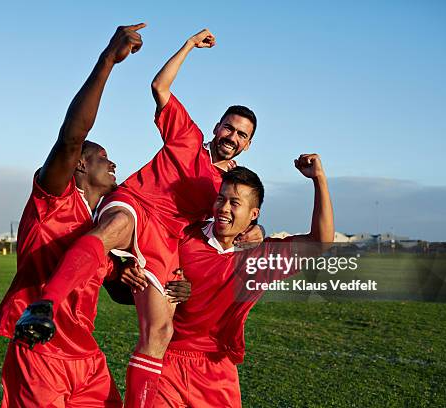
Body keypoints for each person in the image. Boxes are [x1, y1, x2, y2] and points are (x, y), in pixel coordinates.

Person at [15, 28, 264, 408]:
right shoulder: (187, 136)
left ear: (248, 145)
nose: (233, 135)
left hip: (164, 243)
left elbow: (225, 226)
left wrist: (255, 230)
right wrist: (189, 46)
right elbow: (159, 86)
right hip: (135, 204)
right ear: (217, 127)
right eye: (229, 127)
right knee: (115, 227)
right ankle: (43, 304)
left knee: (161, 331)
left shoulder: (229, 186)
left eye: (242, 135)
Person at [0, 23, 146, 408]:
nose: (113, 163)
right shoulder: (54, 199)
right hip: (41, 350)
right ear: (79, 165)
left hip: (87, 359)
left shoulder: (101, 226)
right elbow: (71, 137)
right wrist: (107, 61)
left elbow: (114, 290)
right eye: (103, 157)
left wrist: (141, 283)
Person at [152, 161, 334, 407]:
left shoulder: (260, 258)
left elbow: (319, 242)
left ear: (253, 214)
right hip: (166, 360)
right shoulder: (184, 237)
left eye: (234, 203)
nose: (224, 208)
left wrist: (319, 179)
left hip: (217, 370)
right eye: (221, 199)